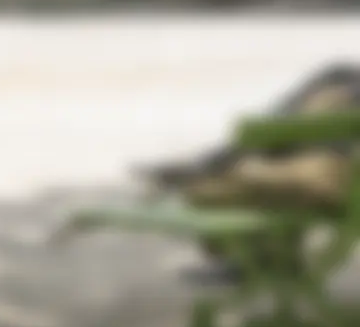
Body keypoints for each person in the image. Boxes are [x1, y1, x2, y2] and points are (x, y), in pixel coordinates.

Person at [141, 63, 360, 282]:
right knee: (230, 175)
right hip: (316, 169)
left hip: (320, 177)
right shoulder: (341, 78)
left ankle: (254, 260)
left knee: (211, 188)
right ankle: (211, 168)